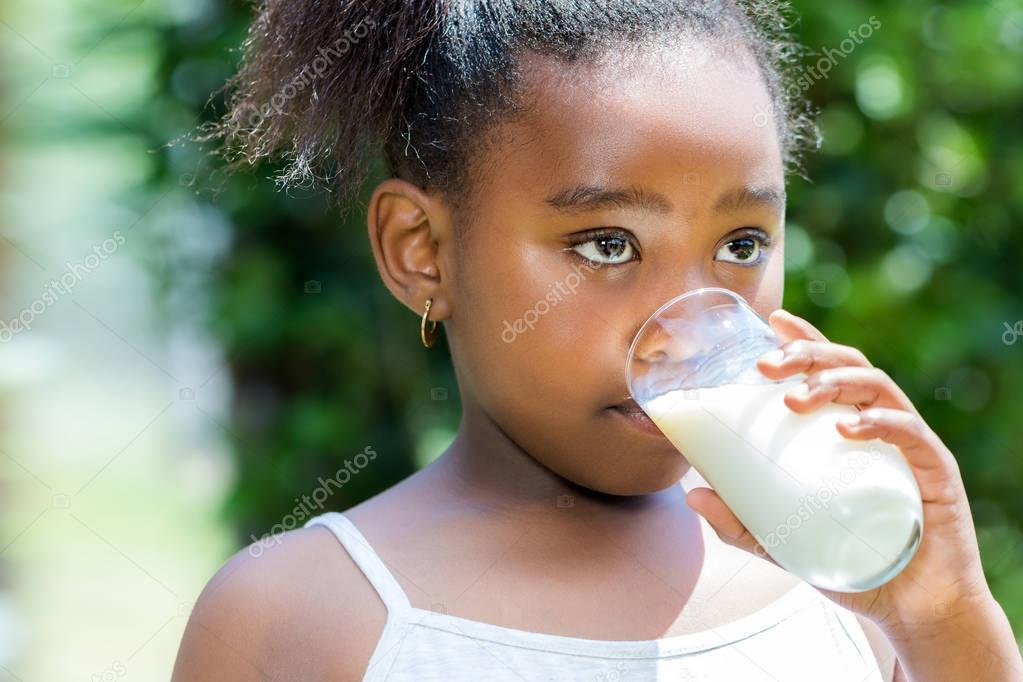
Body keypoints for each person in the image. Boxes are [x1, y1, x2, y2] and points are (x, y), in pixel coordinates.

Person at [172, 1, 1022, 680]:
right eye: (606, 245)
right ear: (420, 249)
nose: (684, 324)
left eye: (741, 245)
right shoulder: (305, 615)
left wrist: (943, 619)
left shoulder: (838, 582)